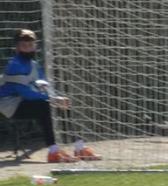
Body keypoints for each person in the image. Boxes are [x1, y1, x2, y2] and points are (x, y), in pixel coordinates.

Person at [0, 29, 101, 163]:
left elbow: (44, 86)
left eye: (31, 45)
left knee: (63, 104)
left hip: (25, 101)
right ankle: (53, 152)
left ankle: (79, 147)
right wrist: (53, 99)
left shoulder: (34, 65)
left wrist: (57, 98)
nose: (29, 49)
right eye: (24, 46)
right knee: (46, 106)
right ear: (17, 48)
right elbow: (25, 93)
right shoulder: (14, 65)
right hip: (9, 105)